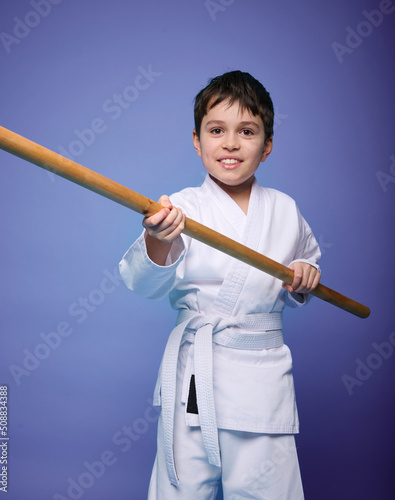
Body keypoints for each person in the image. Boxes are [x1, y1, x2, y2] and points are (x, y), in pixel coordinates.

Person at [119, 70, 321, 499]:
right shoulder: (181, 208)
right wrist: (158, 241)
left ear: (266, 146)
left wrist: (305, 274)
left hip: (262, 382)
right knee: (182, 490)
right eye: (217, 130)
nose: (230, 143)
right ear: (197, 140)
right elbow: (143, 282)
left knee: (267, 489)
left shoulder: (285, 210)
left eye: (246, 131)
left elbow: (306, 268)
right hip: (196, 376)